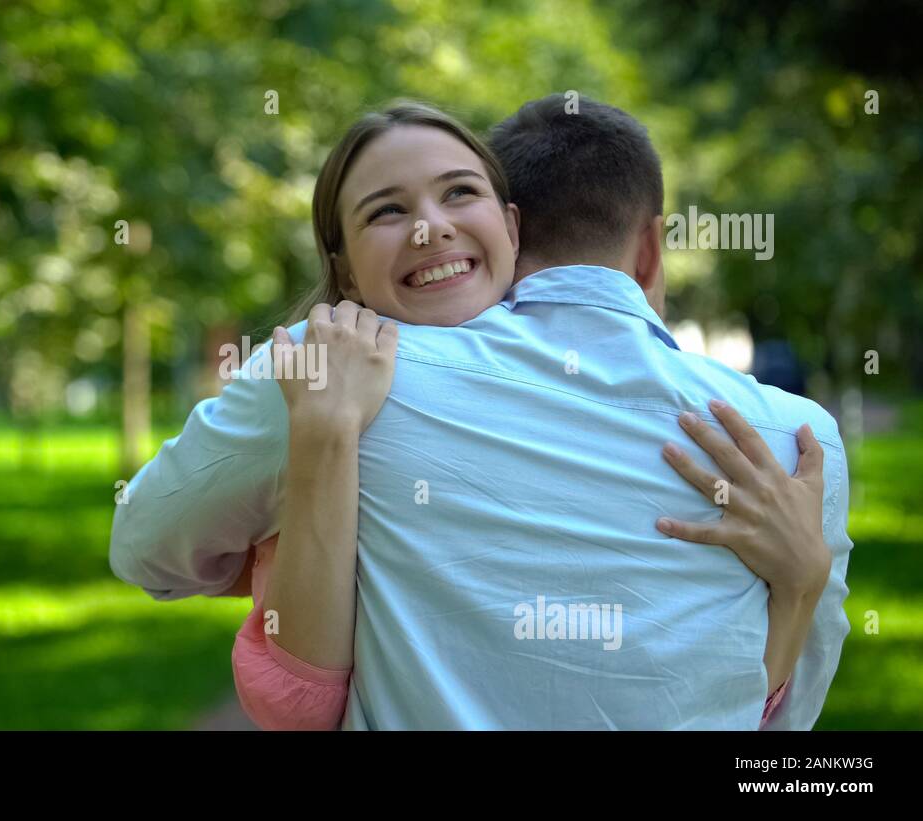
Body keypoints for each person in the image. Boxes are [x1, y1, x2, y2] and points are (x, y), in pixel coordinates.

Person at [110, 97, 852, 730]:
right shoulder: (799, 439)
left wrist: (801, 582)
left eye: (457, 194)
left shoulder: (319, 370)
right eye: (387, 211)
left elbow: (147, 545)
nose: (430, 228)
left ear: (513, 227)